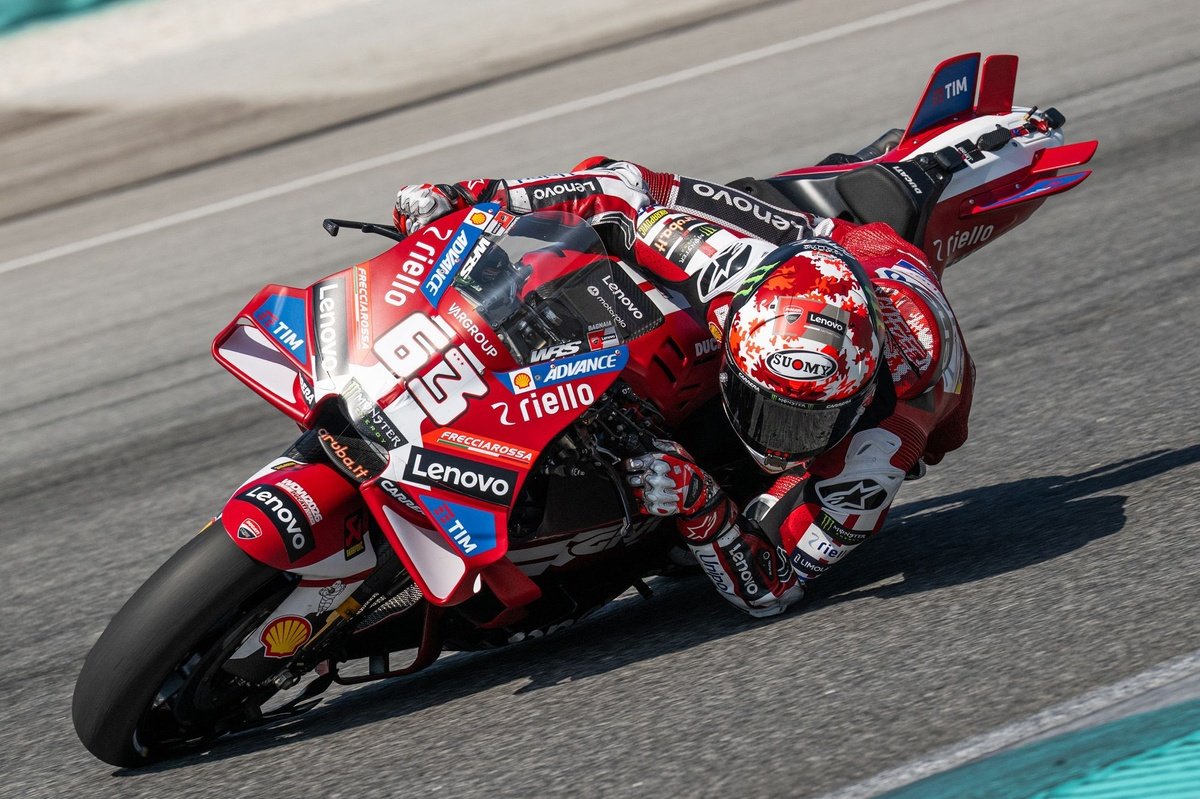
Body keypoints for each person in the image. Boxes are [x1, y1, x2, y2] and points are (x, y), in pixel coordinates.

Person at [393, 157, 974, 617]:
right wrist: (470, 198)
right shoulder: (730, 271)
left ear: (860, 396)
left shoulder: (882, 448)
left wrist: (700, 504)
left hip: (916, 343)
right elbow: (618, 190)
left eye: (807, 422)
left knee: (940, 441)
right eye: (766, 409)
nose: (778, 439)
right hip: (825, 249)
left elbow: (769, 589)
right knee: (613, 231)